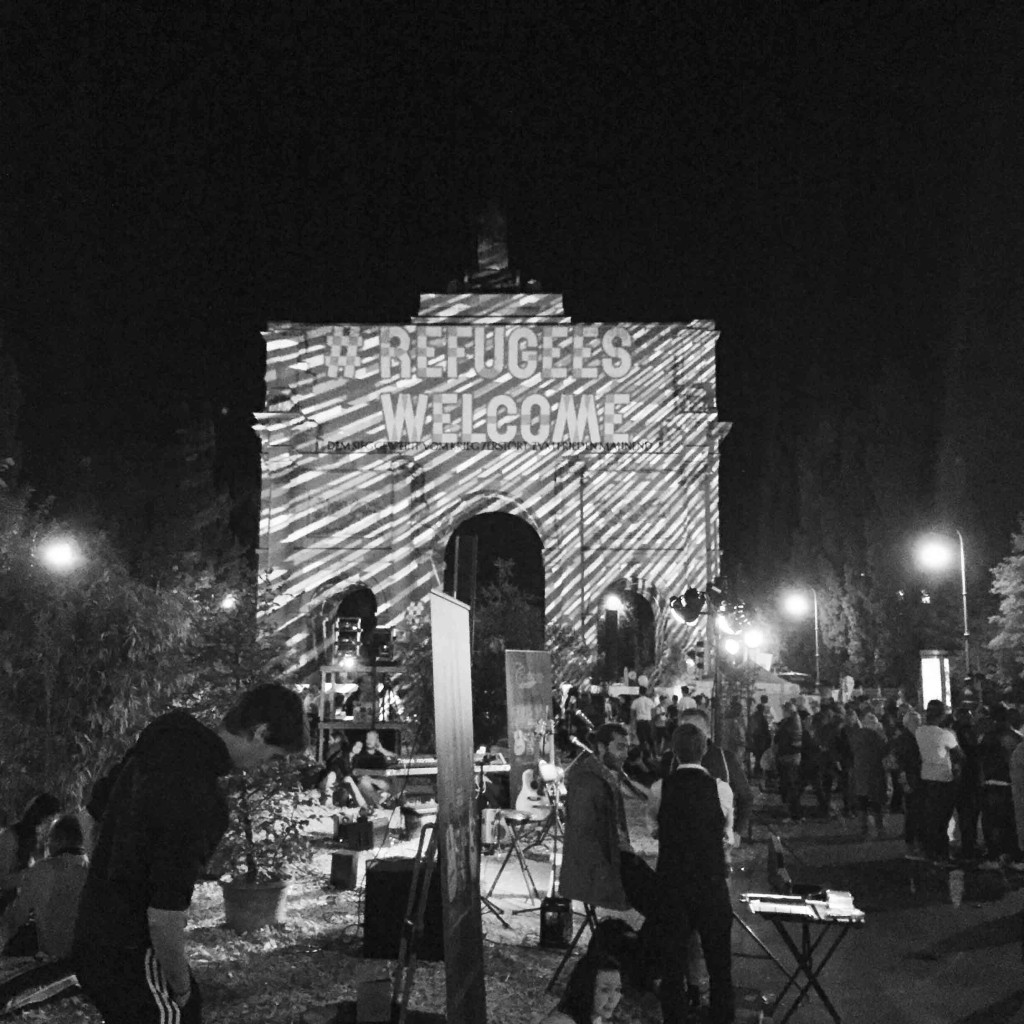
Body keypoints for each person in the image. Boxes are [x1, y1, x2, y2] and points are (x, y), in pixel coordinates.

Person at [73, 683, 307, 1024]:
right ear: (260, 732)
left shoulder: (162, 738)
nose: (267, 767)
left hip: (92, 933)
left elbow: (86, 816)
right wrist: (182, 990)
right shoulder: (202, 798)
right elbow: (163, 916)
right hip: (132, 952)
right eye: (275, 756)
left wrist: (108, 883)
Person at [560, 724, 659, 979]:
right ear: (602, 747)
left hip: (619, 858)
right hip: (606, 865)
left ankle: (637, 964)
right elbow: (585, 836)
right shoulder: (587, 779)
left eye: (627, 747)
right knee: (667, 908)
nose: (625, 754)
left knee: (669, 904)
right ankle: (638, 967)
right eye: (620, 747)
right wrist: (615, 864)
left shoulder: (607, 774)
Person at [656, 724, 735, 1024]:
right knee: (720, 967)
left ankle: (674, 1018)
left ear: (673, 751)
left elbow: (655, 827)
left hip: (672, 886)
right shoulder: (721, 789)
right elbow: (726, 831)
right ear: (705, 750)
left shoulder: (659, 788)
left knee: (672, 967)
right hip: (710, 884)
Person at [0, 815, 89, 1014]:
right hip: (88, 967)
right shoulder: (94, 871)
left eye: (49, 840)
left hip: (53, 969)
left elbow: (15, 919)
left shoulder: (41, 871)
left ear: (58, 841)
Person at [678, 706, 753, 840]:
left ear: (707, 732)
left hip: (717, 839)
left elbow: (745, 796)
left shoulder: (725, 759)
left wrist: (738, 831)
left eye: (695, 731)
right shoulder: (672, 760)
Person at [977, 703, 1023, 869]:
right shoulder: (1017, 738)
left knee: (991, 823)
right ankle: (1015, 857)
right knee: (1012, 822)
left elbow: (979, 761)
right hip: (1011, 785)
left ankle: (994, 857)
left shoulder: (987, 737)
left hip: (992, 784)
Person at [915, 699, 961, 863]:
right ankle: (942, 854)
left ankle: (930, 852)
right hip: (943, 779)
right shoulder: (945, 735)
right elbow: (960, 755)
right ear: (941, 716)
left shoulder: (919, 732)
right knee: (943, 818)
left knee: (930, 817)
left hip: (926, 777)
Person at [0, 793, 62, 913]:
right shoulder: (10, 838)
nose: (51, 826)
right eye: (49, 820)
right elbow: (3, 881)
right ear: (39, 817)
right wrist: (31, 874)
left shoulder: (48, 843)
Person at [537, 953, 623, 1024]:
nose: (613, 998)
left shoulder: (594, 1019)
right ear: (584, 990)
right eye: (605, 990)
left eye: (617, 990)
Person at [849, 711, 888, 837]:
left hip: (860, 772)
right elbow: (884, 751)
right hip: (874, 772)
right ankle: (879, 827)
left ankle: (863, 828)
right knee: (876, 801)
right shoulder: (876, 737)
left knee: (862, 801)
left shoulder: (855, 736)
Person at [893, 710, 924, 858]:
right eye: (915, 721)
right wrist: (904, 782)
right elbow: (900, 763)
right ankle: (911, 845)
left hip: (919, 778)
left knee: (918, 812)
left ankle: (917, 842)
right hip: (911, 779)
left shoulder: (918, 737)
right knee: (912, 812)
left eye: (919, 720)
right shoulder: (904, 740)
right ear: (907, 723)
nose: (918, 723)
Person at [351, 729, 398, 808]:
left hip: (380, 783)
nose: (368, 741)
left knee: (389, 780)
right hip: (366, 785)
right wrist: (372, 781)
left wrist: (381, 749)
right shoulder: (360, 755)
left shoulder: (381, 755)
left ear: (377, 741)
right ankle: (380, 802)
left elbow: (396, 759)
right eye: (367, 738)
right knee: (364, 782)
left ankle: (388, 801)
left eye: (372, 739)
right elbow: (357, 775)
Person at [774, 702, 804, 821]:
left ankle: (794, 814)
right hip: (792, 756)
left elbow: (782, 738)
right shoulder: (794, 721)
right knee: (791, 785)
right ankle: (794, 813)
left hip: (788, 757)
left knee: (790, 786)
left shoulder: (790, 723)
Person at [630, 687, 657, 758]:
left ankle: (644, 756)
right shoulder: (650, 701)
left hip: (640, 722)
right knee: (650, 739)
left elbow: (632, 713)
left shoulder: (635, 701)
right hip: (648, 722)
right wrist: (650, 717)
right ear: (645, 692)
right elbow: (654, 711)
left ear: (639, 692)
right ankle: (654, 755)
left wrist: (633, 723)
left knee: (641, 740)